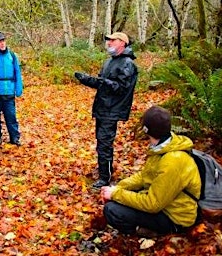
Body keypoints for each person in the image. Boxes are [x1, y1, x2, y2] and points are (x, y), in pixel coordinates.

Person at [101, 106, 201, 237]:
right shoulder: (164, 146)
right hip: (165, 204)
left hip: (175, 217)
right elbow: (144, 177)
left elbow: (153, 203)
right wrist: (117, 188)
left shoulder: (173, 160)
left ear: (147, 130)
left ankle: (149, 232)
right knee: (119, 199)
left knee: (112, 211)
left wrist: (116, 194)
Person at [74, 32, 138, 188]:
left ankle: (104, 179)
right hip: (102, 108)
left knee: (104, 144)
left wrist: (102, 81)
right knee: (101, 143)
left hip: (112, 110)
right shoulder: (109, 61)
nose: (109, 43)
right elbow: (102, 85)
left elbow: (121, 88)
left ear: (123, 43)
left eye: (112, 40)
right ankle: (104, 170)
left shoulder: (127, 64)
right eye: (108, 40)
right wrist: (87, 79)